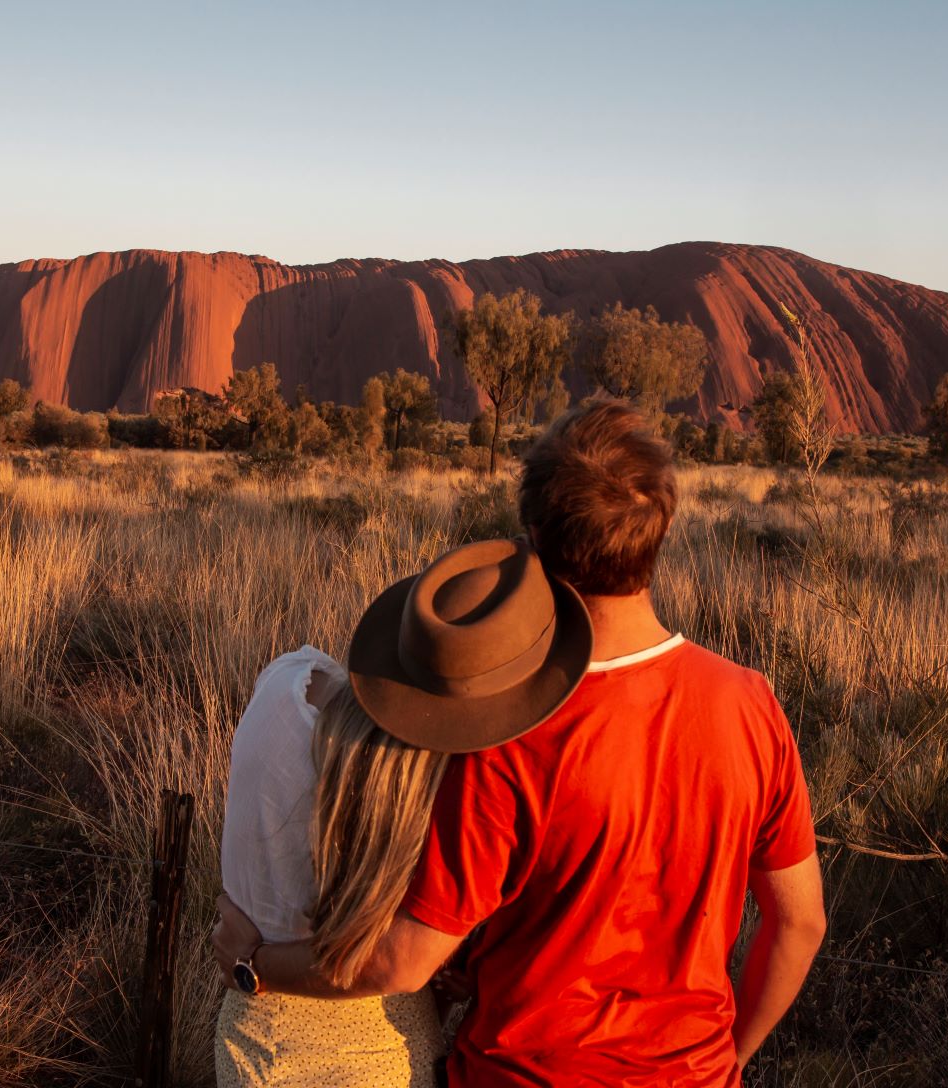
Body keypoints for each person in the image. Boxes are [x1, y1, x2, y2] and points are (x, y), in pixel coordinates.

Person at [215, 400, 825, 1086]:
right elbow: (799, 924)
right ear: (660, 532)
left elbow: (406, 961)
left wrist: (256, 965)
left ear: (533, 538)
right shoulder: (752, 704)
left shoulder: (507, 737)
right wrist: (728, 1060)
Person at [215, 534, 594, 1086]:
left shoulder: (284, 681)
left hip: (253, 1035)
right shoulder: (444, 798)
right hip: (389, 1048)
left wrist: (251, 959)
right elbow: (409, 959)